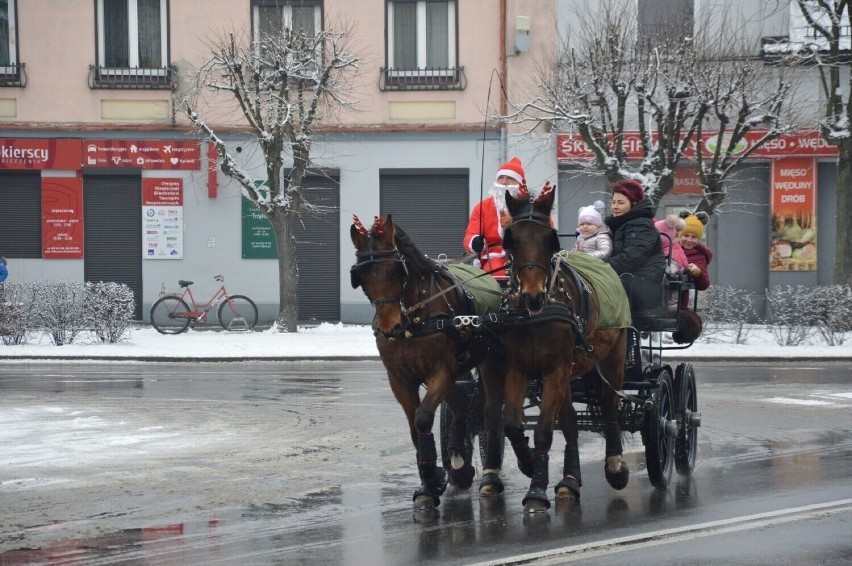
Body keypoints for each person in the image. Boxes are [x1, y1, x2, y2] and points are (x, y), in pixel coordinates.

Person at [602, 179, 667, 312]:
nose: (615, 206)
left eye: (620, 203)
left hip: (642, 282)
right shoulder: (616, 224)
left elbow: (632, 257)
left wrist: (600, 267)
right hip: (626, 276)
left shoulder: (641, 225)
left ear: (633, 204)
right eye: (613, 202)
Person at [463, 157, 528, 282]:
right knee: (495, 271)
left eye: (510, 178)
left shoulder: (529, 205)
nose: (504, 182)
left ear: (519, 183)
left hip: (526, 255)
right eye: (501, 178)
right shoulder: (482, 207)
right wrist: (474, 241)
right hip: (494, 257)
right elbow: (470, 235)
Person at [679, 210, 713, 292]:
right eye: (686, 235)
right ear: (680, 235)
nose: (689, 240)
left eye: (694, 237)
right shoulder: (671, 248)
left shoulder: (699, 255)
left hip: (679, 300)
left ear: (698, 239)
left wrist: (697, 272)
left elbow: (704, 284)